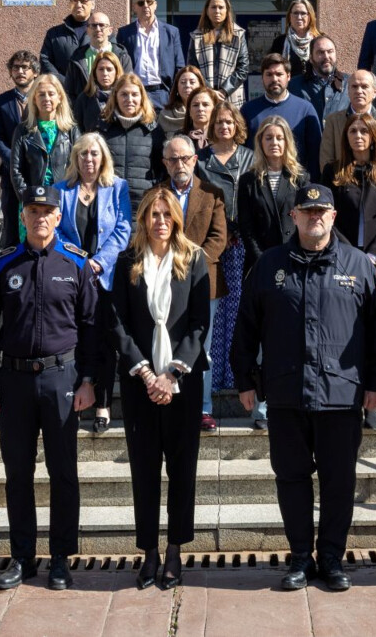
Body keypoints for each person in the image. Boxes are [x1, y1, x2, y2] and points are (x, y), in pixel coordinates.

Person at [232, 184, 376, 592]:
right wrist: (245, 380)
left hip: (342, 396)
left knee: (339, 483)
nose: (314, 217)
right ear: (294, 216)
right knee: (292, 479)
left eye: (322, 211)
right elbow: (246, 328)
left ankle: (333, 560)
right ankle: (301, 558)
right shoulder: (269, 265)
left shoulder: (358, 266)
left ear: (333, 217)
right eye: (307, 211)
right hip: (286, 394)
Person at [0, 185, 104, 591]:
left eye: (47, 211)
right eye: (33, 210)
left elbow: (93, 330)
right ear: (23, 216)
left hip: (62, 379)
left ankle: (61, 558)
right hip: (13, 381)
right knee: (18, 473)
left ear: (58, 218)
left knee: (63, 472)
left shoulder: (76, 264)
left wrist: (89, 381)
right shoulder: (2, 267)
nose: (40, 217)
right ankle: (23, 557)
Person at [105, 187, 211, 590]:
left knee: (182, 470)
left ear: (176, 220)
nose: (161, 222)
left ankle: (175, 551)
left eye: (167, 215)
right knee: (144, 469)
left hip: (182, 382)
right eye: (154, 214)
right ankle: (149, 551)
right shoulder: (127, 260)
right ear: (144, 219)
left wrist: (172, 375)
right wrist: (148, 374)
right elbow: (116, 321)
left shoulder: (194, 258)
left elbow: (200, 322)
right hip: (139, 383)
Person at [57, 133, 133, 434]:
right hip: (73, 277)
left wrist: (99, 262)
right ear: (75, 157)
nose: (89, 159)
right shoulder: (61, 190)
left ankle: (102, 404)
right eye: (83, 154)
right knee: (74, 339)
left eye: (94, 154)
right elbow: (57, 232)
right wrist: (80, 262)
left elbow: (123, 228)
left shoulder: (118, 188)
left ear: (103, 158)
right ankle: (75, 401)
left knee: (105, 342)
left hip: (106, 277)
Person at [156, 135, 228, 433]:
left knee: (202, 349)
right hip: (162, 282)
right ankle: (167, 399)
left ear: (195, 160)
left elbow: (218, 238)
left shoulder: (213, 194)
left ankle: (203, 408)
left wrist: (190, 265)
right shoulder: (156, 195)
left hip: (202, 283)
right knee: (167, 343)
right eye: (173, 159)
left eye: (185, 158)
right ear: (165, 163)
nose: (179, 164)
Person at [328, 112, 376, 388]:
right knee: (344, 329)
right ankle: (346, 388)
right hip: (342, 261)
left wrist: (371, 256)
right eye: (353, 131)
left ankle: (373, 396)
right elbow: (329, 217)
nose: (358, 136)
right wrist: (353, 256)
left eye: (364, 131)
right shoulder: (333, 172)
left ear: (373, 137)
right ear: (345, 137)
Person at [197, 102, 254, 432]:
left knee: (239, 314)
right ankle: (211, 385)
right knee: (212, 320)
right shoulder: (201, 160)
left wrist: (239, 229)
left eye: (228, 121)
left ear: (237, 125)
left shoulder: (249, 157)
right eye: (218, 122)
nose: (223, 126)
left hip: (244, 244)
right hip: (212, 244)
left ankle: (237, 376)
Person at [237, 115, 306, 275]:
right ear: (261, 141)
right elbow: (246, 228)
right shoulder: (248, 181)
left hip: (294, 258)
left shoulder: (301, 178)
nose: (274, 143)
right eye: (268, 138)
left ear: (286, 142)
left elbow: (304, 219)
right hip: (260, 261)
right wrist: (262, 259)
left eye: (279, 138)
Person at [242, 54, 322, 181]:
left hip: (296, 182)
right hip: (258, 183)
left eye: (279, 74)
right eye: (269, 74)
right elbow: (242, 152)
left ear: (288, 76)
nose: (274, 79)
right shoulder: (248, 110)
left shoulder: (305, 109)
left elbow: (315, 152)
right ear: (262, 78)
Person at [0, 50, 38, 249]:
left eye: (25, 67)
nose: (20, 71)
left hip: (40, 172)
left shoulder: (43, 97)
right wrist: (14, 159)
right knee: (12, 225)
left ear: (34, 72)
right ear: (11, 72)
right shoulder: (2, 101)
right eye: (16, 67)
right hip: (12, 174)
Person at [100, 73, 166, 209]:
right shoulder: (103, 129)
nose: (129, 99)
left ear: (142, 97)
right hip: (109, 203)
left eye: (134, 94)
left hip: (143, 204)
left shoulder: (154, 131)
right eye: (124, 94)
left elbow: (161, 169)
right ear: (115, 97)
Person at [8, 73, 78, 199]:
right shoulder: (23, 130)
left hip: (64, 198)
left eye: (51, 94)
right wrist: (27, 197)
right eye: (41, 94)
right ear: (34, 99)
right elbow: (16, 170)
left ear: (60, 97)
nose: (46, 98)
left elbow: (79, 165)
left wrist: (71, 194)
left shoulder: (71, 130)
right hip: (34, 200)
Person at [320, 69, 376, 176]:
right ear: (348, 91)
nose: (359, 91)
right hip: (342, 186)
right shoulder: (333, 121)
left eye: (364, 86)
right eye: (354, 86)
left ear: (375, 92)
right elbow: (326, 160)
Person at [118, 0, 186, 109]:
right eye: (140, 3)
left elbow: (179, 66)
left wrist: (174, 94)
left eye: (149, 2)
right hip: (135, 93)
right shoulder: (124, 33)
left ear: (155, 5)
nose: (145, 6)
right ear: (134, 7)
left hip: (163, 92)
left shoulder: (171, 32)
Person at [188, 0, 251, 108]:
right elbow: (193, 69)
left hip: (230, 94)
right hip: (205, 94)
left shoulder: (238, 35)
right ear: (207, 11)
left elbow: (243, 68)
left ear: (227, 11)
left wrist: (224, 90)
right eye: (213, 7)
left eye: (221, 7)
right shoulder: (196, 36)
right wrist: (210, 91)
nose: (217, 11)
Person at [63, 12, 131, 100]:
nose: (98, 29)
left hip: (115, 108)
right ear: (87, 30)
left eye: (102, 25)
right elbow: (69, 91)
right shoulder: (77, 58)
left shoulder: (121, 56)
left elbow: (128, 85)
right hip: (85, 110)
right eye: (94, 25)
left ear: (110, 30)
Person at [289, 35, 350, 122]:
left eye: (330, 51)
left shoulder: (350, 83)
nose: (326, 57)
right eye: (320, 52)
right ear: (310, 58)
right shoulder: (294, 85)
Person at [40, 0, 96, 77]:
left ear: (93, 4)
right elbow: (46, 61)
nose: (78, 5)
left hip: (93, 89)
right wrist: (63, 83)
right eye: (74, 0)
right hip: (62, 89)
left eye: (83, 1)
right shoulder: (54, 34)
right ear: (69, 3)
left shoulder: (102, 31)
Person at [269, 0, 324, 79]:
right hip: (290, 89)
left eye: (303, 13)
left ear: (310, 16)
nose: (299, 17)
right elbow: (272, 68)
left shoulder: (320, 40)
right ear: (290, 16)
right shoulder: (280, 42)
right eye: (295, 13)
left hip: (315, 88)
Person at [71, 50, 124, 135]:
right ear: (95, 72)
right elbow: (77, 129)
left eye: (109, 69)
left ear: (117, 72)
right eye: (101, 69)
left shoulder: (124, 97)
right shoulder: (84, 99)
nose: (105, 73)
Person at [158, 65, 207, 137]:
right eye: (183, 82)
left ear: (201, 85)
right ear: (177, 87)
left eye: (192, 82)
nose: (187, 85)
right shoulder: (165, 115)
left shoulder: (211, 112)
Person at [182, 85, 219, 152]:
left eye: (205, 105)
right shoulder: (180, 138)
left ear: (214, 109)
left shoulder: (221, 135)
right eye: (195, 105)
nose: (200, 109)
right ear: (189, 111)